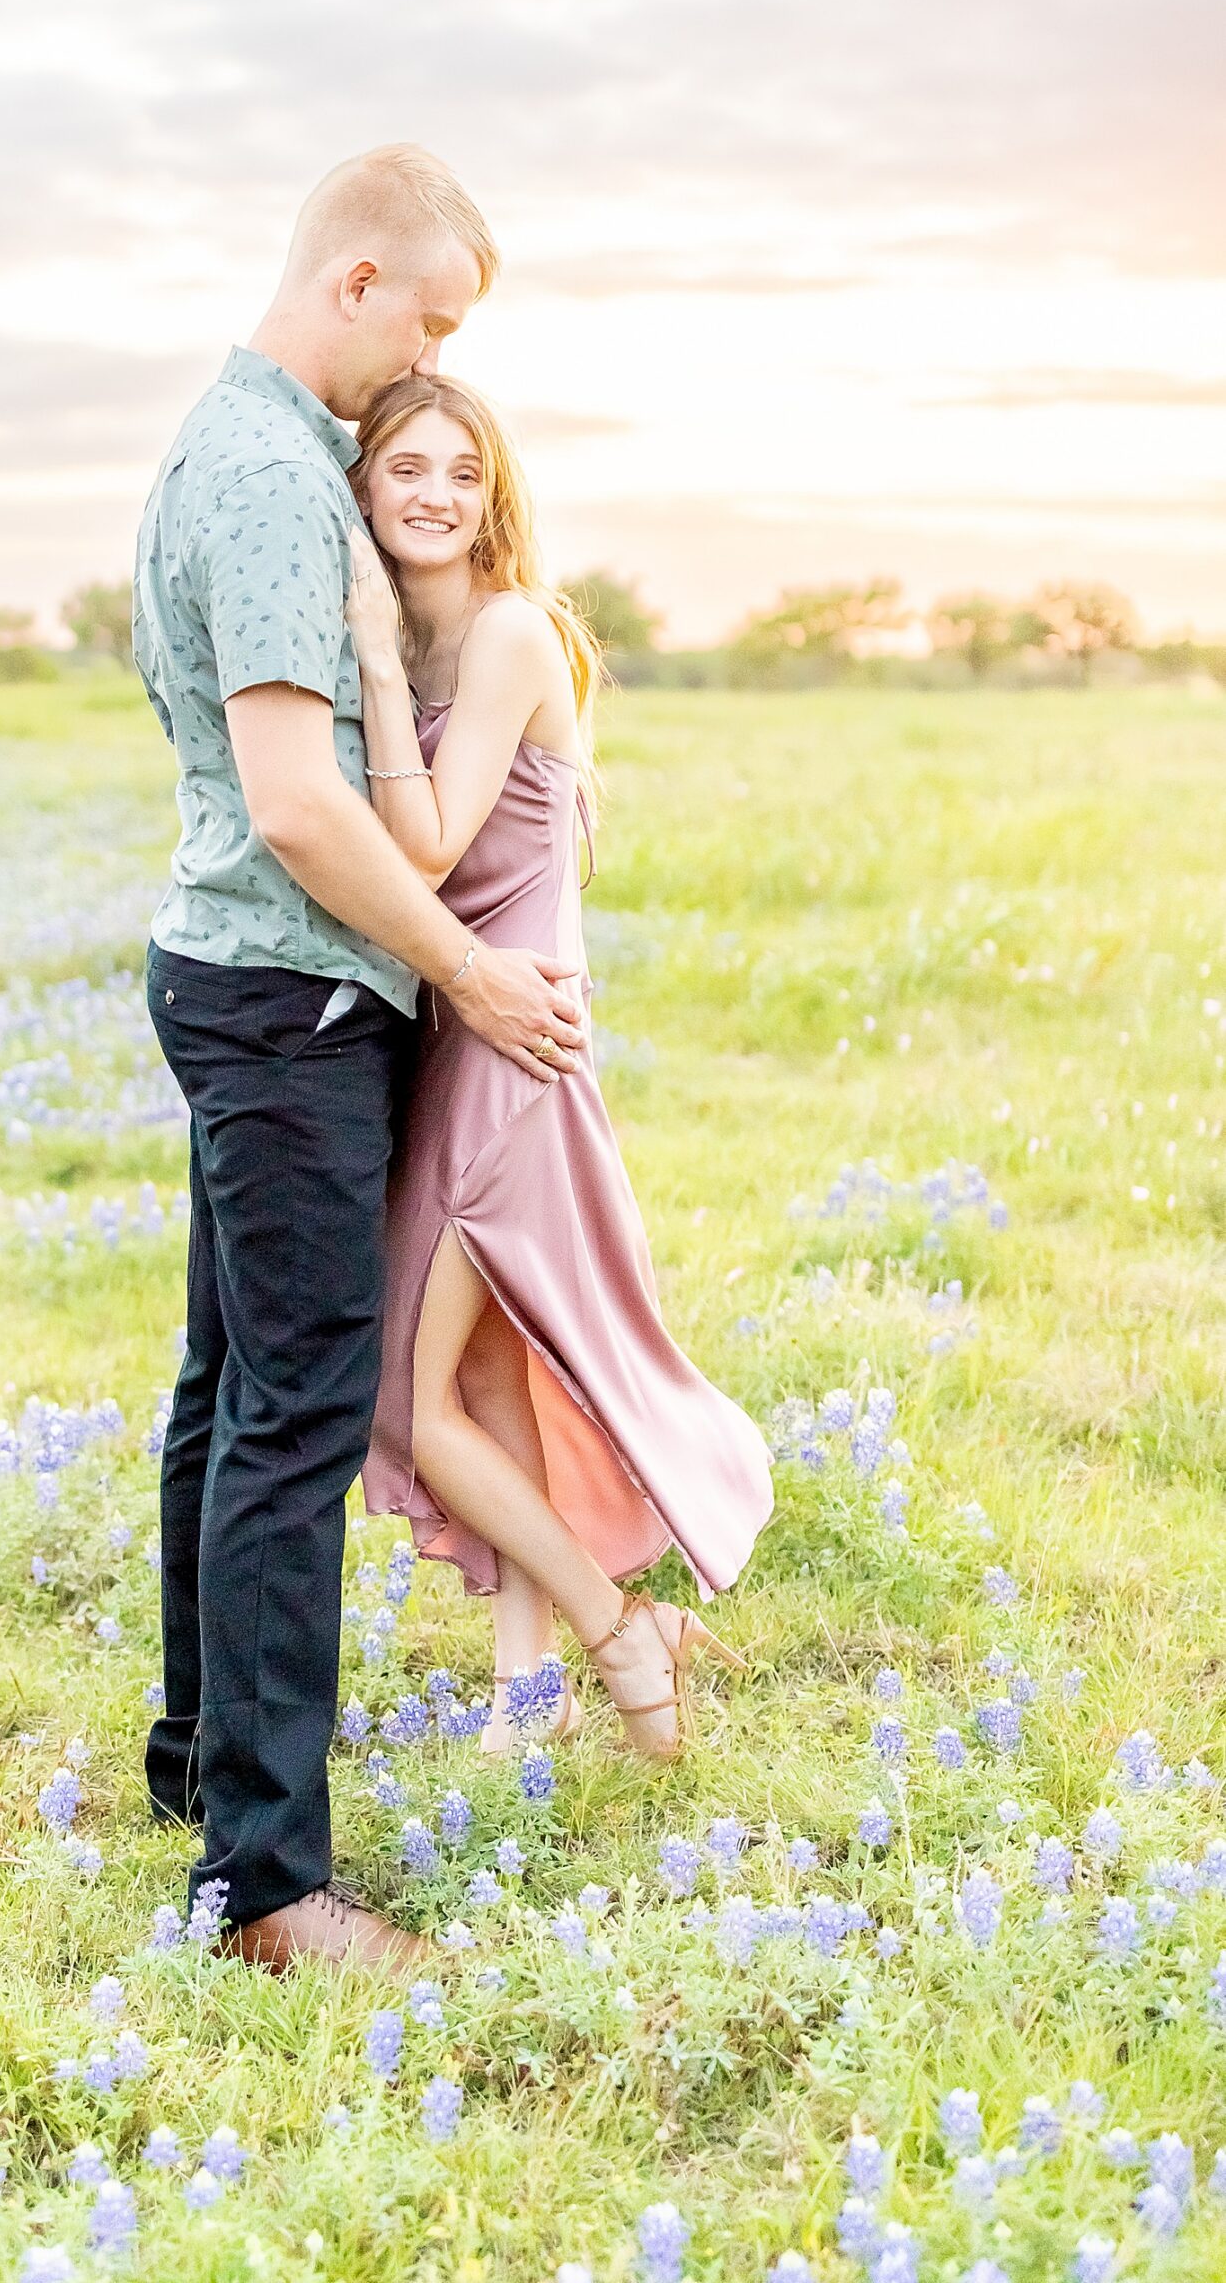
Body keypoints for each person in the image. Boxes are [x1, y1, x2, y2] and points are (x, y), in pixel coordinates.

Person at [131, 145, 586, 1978]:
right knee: (295, 1416)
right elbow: (303, 805)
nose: (430, 364)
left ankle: (197, 1770)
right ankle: (265, 1883)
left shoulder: (255, 452)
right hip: (293, 994)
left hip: (244, 974)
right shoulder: (260, 475)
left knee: (226, 1385)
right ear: (356, 283)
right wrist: (471, 971)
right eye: (432, 321)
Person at [346, 373, 773, 1760]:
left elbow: (426, 847)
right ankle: (521, 1695)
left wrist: (360, 656)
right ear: (362, 486)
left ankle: (615, 1626)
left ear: (494, 494)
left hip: (515, 1043)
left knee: (422, 1397)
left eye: (461, 473)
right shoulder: (425, 644)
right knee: (480, 1385)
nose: (433, 494)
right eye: (404, 467)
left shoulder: (514, 633)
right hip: (464, 1036)